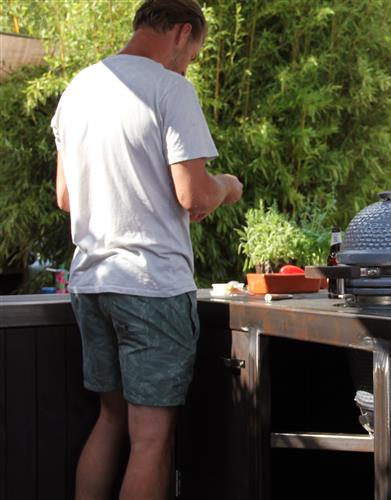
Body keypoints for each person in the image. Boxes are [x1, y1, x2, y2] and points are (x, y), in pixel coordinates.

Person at [51, 1, 243, 499]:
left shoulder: (78, 90)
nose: (189, 64)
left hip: (91, 283)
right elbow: (194, 196)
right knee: (151, 438)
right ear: (182, 32)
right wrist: (226, 186)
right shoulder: (170, 88)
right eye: (193, 54)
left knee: (111, 420)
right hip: (150, 287)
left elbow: (66, 198)